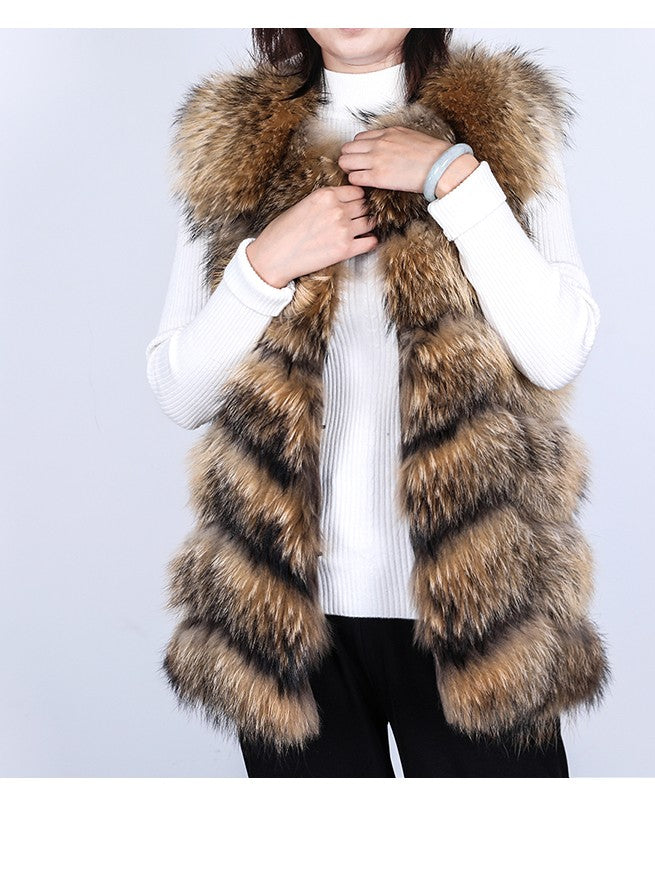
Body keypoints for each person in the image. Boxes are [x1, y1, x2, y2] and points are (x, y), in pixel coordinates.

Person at [146, 28, 603, 778]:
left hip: (480, 603)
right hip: (285, 611)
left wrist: (454, 178)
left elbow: (555, 350)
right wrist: (266, 265)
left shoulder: (501, 119)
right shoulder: (233, 142)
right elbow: (179, 389)